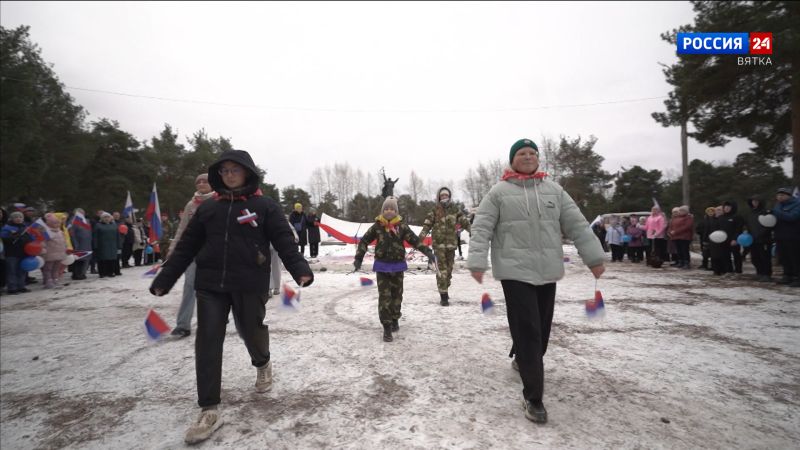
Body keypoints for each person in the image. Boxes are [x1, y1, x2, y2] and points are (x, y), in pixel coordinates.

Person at [149, 150, 313, 445]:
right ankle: (209, 408)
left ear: (247, 172)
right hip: (210, 284)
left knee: (250, 330)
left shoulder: (264, 206)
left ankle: (262, 363)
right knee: (208, 339)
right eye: (223, 171)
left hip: (250, 282)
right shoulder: (209, 208)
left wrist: (300, 269)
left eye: (234, 170)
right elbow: (186, 246)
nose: (228, 175)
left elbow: (284, 241)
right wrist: (165, 278)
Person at [467, 138, 605, 425]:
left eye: (532, 153)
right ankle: (534, 397)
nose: (528, 157)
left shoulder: (554, 190)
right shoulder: (499, 193)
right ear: (512, 159)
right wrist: (477, 261)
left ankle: (523, 357)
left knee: (540, 329)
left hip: (547, 270)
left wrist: (594, 257)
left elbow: (577, 225)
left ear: (538, 159)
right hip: (514, 271)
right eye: (522, 153)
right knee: (528, 328)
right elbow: (481, 228)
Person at [353, 196, 434, 342]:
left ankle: (395, 318)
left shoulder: (401, 227)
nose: (389, 211)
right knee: (385, 298)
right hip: (382, 267)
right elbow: (364, 241)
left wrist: (428, 252)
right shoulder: (377, 226)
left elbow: (415, 240)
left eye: (392, 209)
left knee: (397, 296)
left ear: (396, 211)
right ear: (382, 211)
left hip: (397, 267)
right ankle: (386, 327)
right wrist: (358, 258)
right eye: (386, 209)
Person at [168, 173, 215, 338]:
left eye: (205, 181)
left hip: (216, 252)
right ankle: (183, 325)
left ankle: (218, 317)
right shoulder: (191, 205)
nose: (201, 184)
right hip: (194, 252)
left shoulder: (220, 200)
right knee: (189, 285)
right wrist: (173, 249)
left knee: (217, 288)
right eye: (198, 181)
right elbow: (182, 229)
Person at [418, 187, 471, 306]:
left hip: (451, 245)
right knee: (441, 271)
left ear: (449, 196)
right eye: (442, 196)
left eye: (446, 195)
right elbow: (427, 225)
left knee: (449, 271)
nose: (444, 197)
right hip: (438, 246)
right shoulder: (435, 210)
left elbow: (464, 222)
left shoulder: (455, 209)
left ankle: (445, 288)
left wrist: (473, 231)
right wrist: (419, 239)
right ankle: (443, 296)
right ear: (439, 197)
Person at [772, 187, 800, 286]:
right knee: (784, 257)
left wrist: (776, 213)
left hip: (793, 236)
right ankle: (787, 275)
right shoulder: (777, 205)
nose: (779, 197)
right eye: (778, 195)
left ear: (789, 196)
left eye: (782, 195)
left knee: (795, 257)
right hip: (780, 235)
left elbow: (792, 217)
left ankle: (797, 277)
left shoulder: (797, 204)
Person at [1, 211, 33, 294]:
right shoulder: (7, 227)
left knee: (22, 270)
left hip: (23, 252)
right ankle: (12, 288)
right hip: (11, 253)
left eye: (20, 217)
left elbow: (29, 239)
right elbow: (4, 239)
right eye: (16, 217)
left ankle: (21, 286)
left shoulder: (25, 228)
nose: (18, 219)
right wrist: (13, 236)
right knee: (12, 271)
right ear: (12, 219)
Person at [745, 195, 773, 282]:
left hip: (764, 239)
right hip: (752, 239)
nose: (755, 203)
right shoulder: (750, 213)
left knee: (764, 257)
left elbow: (769, 225)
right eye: (753, 201)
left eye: (756, 201)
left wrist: (762, 234)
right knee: (755, 257)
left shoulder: (766, 212)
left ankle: (766, 274)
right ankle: (759, 272)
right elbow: (749, 225)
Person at [41, 213, 67, 288]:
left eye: (58, 223)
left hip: (59, 253)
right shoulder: (46, 232)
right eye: (55, 223)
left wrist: (65, 248)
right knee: (48, 268)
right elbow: (42, 242)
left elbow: (64, 241)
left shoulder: (60, 232)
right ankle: (48, 281)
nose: (57, 224)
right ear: (50, 223)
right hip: (49, 253)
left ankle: (55, 280)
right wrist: (43, 249)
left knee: (56, 268)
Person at [721, 201, 745, 275]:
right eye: (725, 207)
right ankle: (729, 270)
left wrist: (735, 239)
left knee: (736, 256)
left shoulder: (737, 217)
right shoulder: (721, 217)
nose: (727, 208)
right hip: (723, 240)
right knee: (726, 255)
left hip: (734, 240)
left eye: (729, 207)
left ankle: (738, 271)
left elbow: (739, 229)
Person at [93, 212, 120, 278]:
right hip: (102, 246)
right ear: (102, 218)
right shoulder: (98, 225)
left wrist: (119, 245)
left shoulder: (114, 225)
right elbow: (95, 237)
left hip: (112, 246)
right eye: (105, 217)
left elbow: (118, 236)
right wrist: (95, 246)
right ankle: (102, 273)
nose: (106, 219)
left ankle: (110, 272)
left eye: (108, 217)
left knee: (111, 260)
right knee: (102, 260)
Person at [68, 208, 92, 280]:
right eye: (79, 213)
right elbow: (72, 234)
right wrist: (75, 243)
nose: (82, 214)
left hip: (87, 243)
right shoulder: (72, 221)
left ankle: (82, 273)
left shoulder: (86, 221)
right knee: (78, 259)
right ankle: (76, 274)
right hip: (78, 243)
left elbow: (89, 232)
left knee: (85, 259)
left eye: (82, 213)